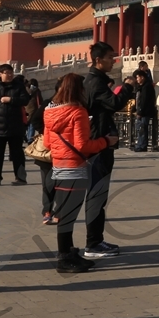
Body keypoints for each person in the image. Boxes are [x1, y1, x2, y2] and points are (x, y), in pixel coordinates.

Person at [42, 73, 109, 274]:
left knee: (64, 213)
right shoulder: (77, 112)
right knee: (68, 216)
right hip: (74, 168)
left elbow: (46, 143)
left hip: (58, 166)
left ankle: (69, 252)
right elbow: (83, 145)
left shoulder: (49, 111)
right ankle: (64, 258)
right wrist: (105, 142)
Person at [81, 40, 128, 260]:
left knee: (97, 195)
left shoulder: (94, 81)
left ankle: (96, 240)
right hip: (99, 145)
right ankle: (93, 244)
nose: (113, 61)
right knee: (97, 195)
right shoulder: (96, 83)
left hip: (98, 141)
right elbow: (115, 103)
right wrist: (127, 87)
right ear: (98, 60)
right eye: (110, 57)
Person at [0, 63, 29, 185]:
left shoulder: (19, 87)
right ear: (0, 74)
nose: (9, 75)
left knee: (17, 154)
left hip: (15, 126)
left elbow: (26, 100)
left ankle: (21, 178)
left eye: (11, 72)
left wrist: (11, 100)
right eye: (6, 73)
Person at [25, 79, 56, 223]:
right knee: (48, 182)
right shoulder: (49, 103)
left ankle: (59, 211)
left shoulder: (78, 105)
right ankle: (47, 210)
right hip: (48, 149)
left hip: (68, 151)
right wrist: (48, 133)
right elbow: (36, 120)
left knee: (62, 184)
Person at [131, 65, 157, 151]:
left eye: (138, 77)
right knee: (140, 129)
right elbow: (138, 99)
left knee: (142, 129)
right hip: (141, 111)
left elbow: (144, 101)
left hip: (144, 112)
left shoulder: (147, 87)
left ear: (142, 77)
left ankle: (142, 146)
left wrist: (140, 112)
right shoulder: (140, 87)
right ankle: (140, 144)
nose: (137, 79)